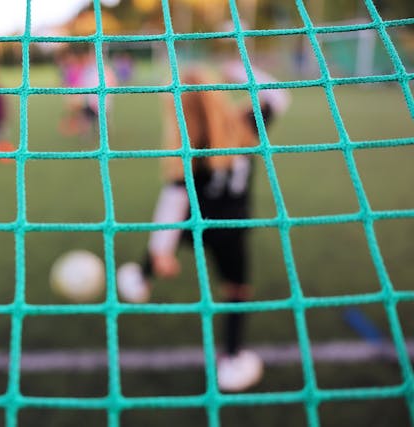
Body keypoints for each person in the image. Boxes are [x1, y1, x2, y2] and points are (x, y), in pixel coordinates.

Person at [116, 61, 290, 392]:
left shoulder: (188, 149)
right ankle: (232, 359)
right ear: (217, 96)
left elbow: (173, 202)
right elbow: (278, 96)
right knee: (237, 290)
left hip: (195, 222)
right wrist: (239, 70)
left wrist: (162, 251)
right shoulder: (245, 125)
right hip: (233, 228)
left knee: (168, 231)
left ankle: (142, 277)